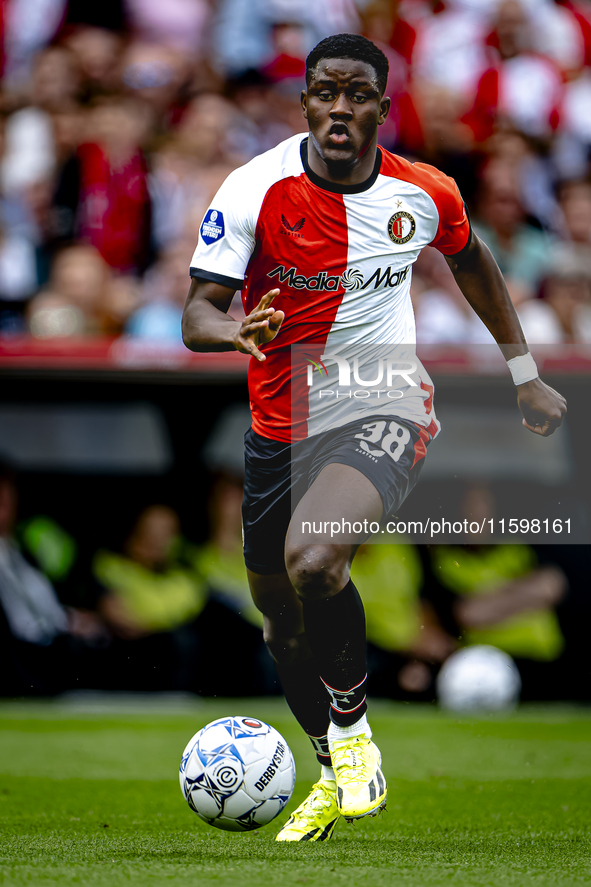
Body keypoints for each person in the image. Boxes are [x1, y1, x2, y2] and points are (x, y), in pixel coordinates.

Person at [181, 33, 566, 843]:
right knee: (279, 619)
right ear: (307, 102)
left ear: (380, 109)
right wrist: (232, 332)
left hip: (380, 399)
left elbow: (474, 264)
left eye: (357, 94)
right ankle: (328, 768)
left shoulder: (424, 191)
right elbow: (195, 312)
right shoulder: (255, 188)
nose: (339, 108)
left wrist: (522, 370)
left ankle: (355, 736)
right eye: (325, 91)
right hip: (278, 422)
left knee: (315, 557)